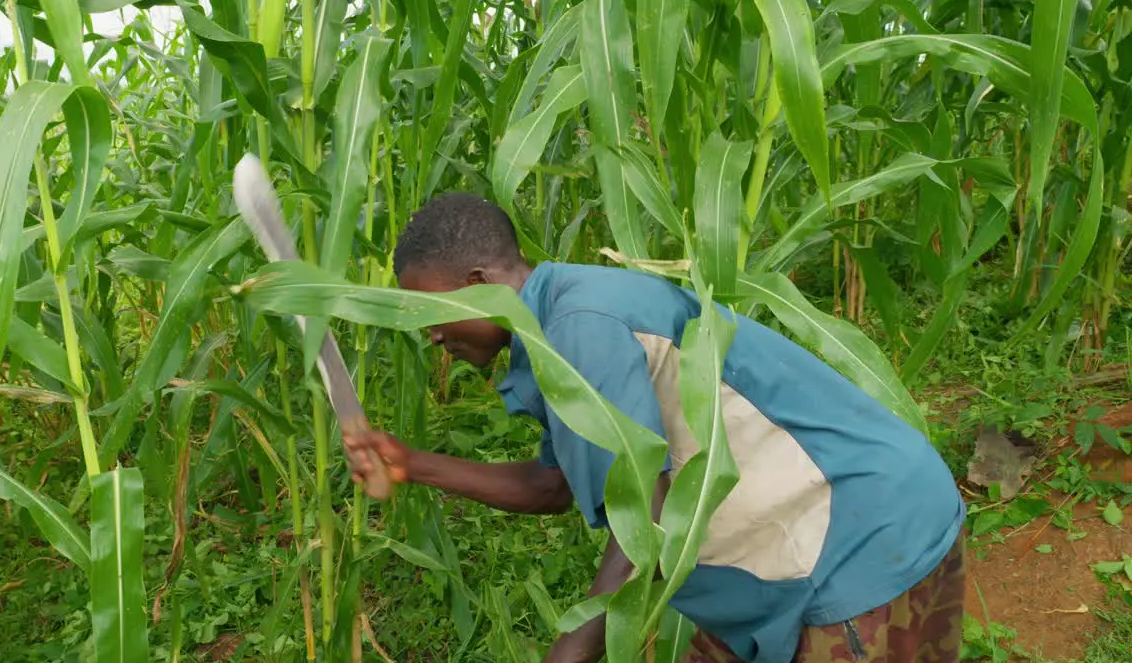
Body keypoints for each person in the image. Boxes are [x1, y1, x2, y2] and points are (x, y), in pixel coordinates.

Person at [344, 193, 967, 663]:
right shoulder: (558, 322)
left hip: (858, 541)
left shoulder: (580, 328)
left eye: (432, 308)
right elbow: (552, 485)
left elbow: (645, 529)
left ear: (478, 285)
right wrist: (410, 463)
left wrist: (566, 655)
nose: (429, 332)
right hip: (808, 537)